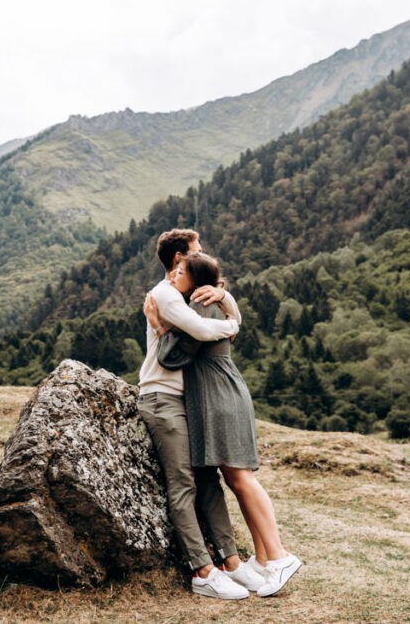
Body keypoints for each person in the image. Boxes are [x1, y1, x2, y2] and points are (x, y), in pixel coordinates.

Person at [144, 251, 302, 597]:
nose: (174, 275)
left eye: (181, 271)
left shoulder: (200, 306)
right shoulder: (205, 301)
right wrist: (229, 307)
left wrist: (158, 326)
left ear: (196, 280)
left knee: (240, 477)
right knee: (233, 477)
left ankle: (279, 557)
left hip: (220, 396)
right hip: (218, 395)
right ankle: (261, 559)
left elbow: (171, 355)